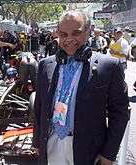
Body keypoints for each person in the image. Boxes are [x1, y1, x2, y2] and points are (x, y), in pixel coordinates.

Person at [32, 10, 129, 165]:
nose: (69, 39)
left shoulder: (109, 66)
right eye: (63, 34)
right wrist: (37, 142)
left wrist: (109, 154)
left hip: (88, 150)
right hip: (52, 145)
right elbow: (39, 107)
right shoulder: (45, 65)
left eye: (76, 33)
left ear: (88, 31)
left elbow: (120, 113)